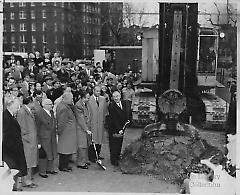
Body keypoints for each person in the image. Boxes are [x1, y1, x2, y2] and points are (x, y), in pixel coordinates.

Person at [2, 98, 27, 191]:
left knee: (15, 170)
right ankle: (13, 188)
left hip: (13, 149)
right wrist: (14, 149)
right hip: (11, 151)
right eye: (17, 108)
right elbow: (6, 137)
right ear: (12, 107)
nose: (18, 109)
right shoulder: (6, 118)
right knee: (13, 170)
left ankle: (16, 187)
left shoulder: (8, 115)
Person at [16, 96, 38, 188]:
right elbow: (21, 127)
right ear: (30, 102)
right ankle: (27, 181)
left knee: (30, 161)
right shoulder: (22, 112)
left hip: (31, 140)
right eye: (33, 102)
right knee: (28, 162)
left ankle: (28, 179)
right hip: (27, 141)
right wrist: (27, 138)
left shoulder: (28, 110)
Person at [35, 99, 58, 178]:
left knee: (52, 153)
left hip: (52, 136)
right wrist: (38, 141)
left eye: (52, 104)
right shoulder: (39, 113)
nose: (51, 105)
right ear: (44, 105)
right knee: (44, 155)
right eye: (49, 104)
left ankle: (50, 169)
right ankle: (42, 171)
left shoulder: (51, 112)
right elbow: (37, 128)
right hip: (44, 137)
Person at [108, 91, 131, 166]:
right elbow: (114, 119)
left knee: (119, 143)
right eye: (114, 97)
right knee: (114, 144)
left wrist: (128, 119)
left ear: (120, 96)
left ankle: (118, 157)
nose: (116, 98)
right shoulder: (111, 106)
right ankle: (114, 160)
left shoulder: (124, 103)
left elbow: (126, 112)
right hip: (114, 128)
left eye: (117, 96)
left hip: (122, 127)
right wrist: (119, 129)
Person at [56, 92, 77, 172]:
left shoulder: (64, 105)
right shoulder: (63, 108)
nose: (72, 100)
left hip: (67, 132)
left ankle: (65, 165)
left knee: (66, 150)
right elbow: (61, 121)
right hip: (66, 133)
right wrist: (60, 131)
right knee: (65, 150)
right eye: (71, 99)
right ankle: (63, 166)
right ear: (66, 99)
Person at [88, 85, 107, 162]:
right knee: (92, 140)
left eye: (99, 91)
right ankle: (91, 156)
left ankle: (97, 155)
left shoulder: (103, 99)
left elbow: (105, 111)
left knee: (100, 139)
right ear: (93, 91)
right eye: (97, 91)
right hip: (92, 123)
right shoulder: (89, 100)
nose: (98, 92)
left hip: (100, 123)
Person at [75, 91, 92, 169]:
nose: (88, 99)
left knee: (87, 145)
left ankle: (85, 160)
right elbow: (80, 119)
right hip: (81, 128)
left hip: (87, 127)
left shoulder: (86, 104)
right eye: (87, 98)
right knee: (82, 146)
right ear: (82, 97)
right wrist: (86, 129)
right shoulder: (78, 105)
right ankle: (80, 163)